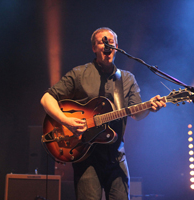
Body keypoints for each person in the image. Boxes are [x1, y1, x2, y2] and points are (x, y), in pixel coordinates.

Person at [40, 27, 166, 200]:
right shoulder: (79, 74)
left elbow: (136, 114)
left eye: (110, 42)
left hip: (116, 156)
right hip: (86, 158)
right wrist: (66, 120)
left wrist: (150, 108)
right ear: (94, 48)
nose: (107, 45)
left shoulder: (127, 79)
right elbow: (47, 98)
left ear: (117, 46)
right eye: (102, 42)